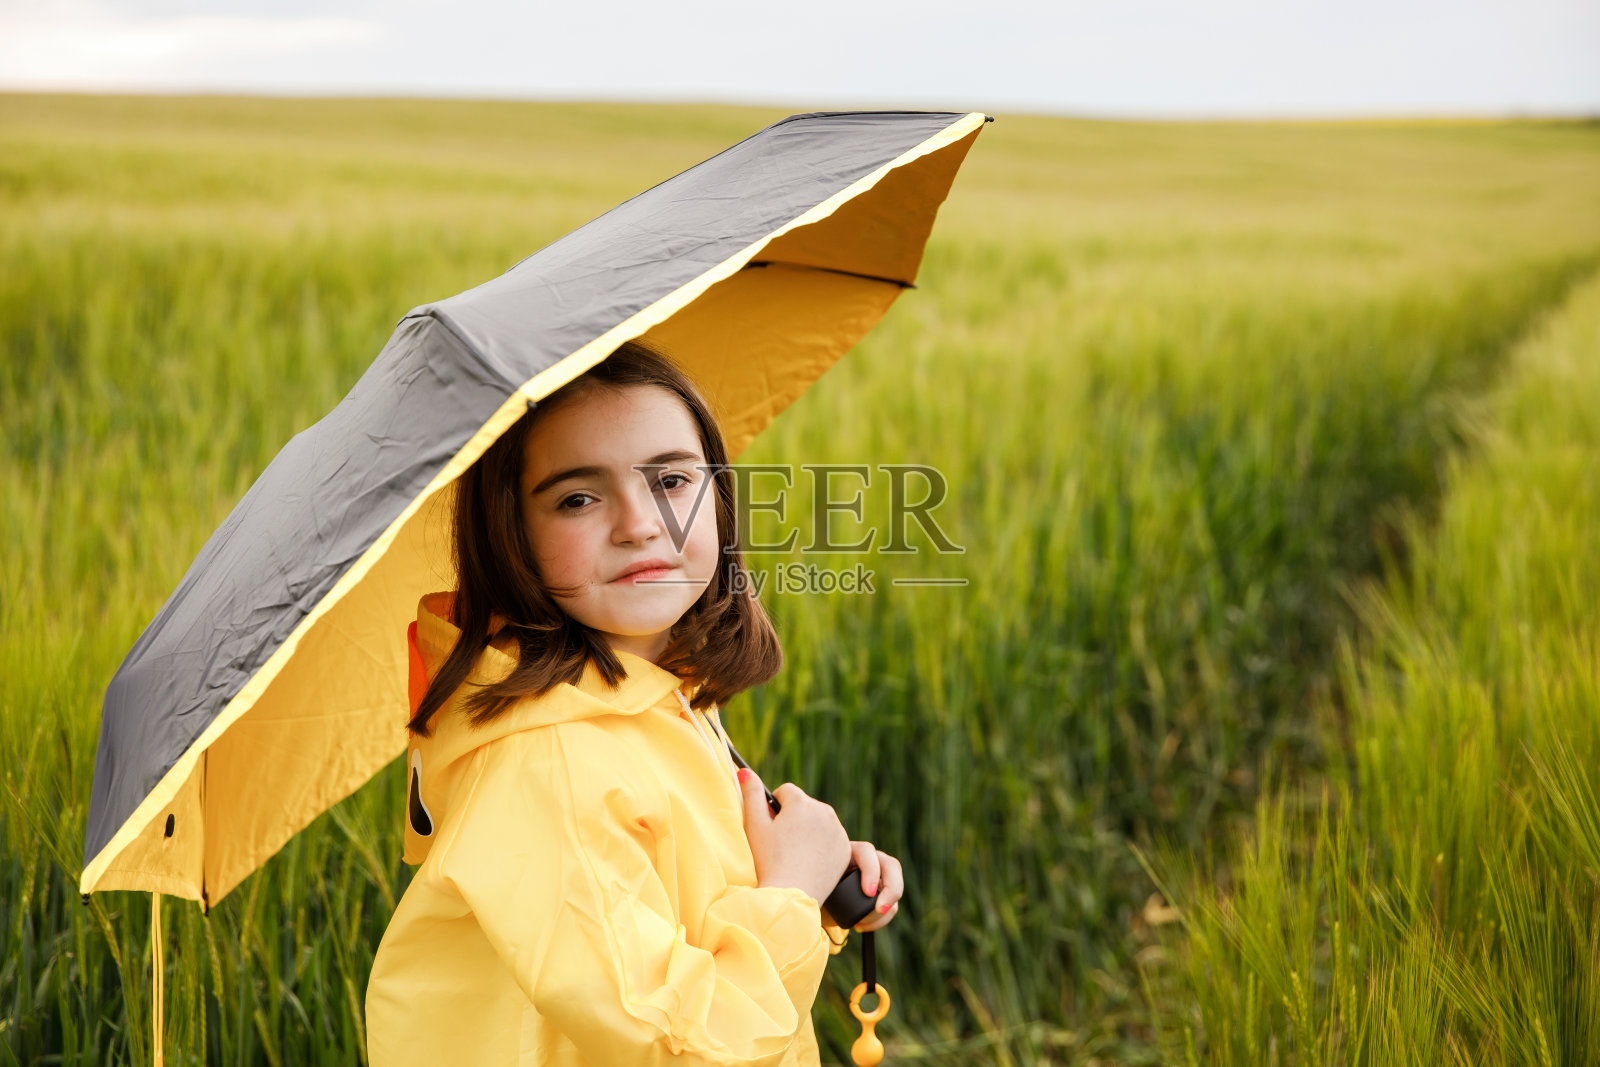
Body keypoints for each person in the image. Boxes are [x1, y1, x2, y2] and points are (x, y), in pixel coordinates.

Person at [365, 340, 903, 1066]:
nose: (640, 523)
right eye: (578, 497)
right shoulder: (548, 762)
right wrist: (791, 898)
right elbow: (677, 1044)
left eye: (672, 480)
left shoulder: (648, 689)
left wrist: (814, 873)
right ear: (510, 534)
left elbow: (678, 912)